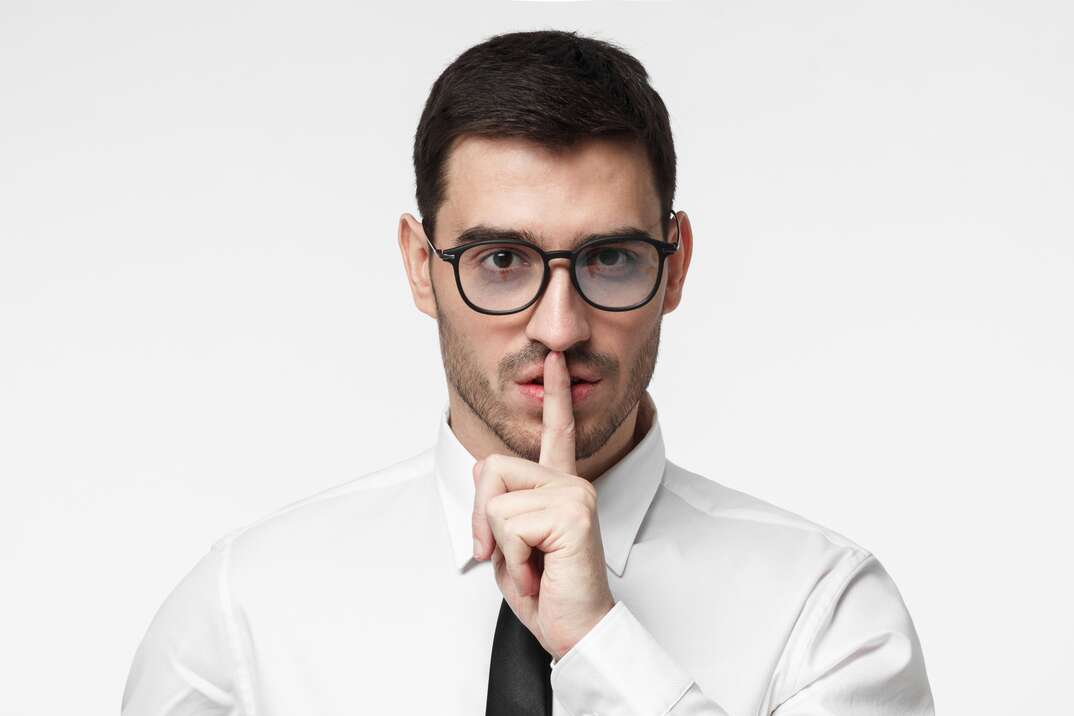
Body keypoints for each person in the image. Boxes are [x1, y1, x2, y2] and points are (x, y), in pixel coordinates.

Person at [122, 29, 935, 715]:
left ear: (676, 265)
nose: (558, 326)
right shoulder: (243, 614)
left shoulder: (826, 609)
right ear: (419, 265)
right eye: (502, 259)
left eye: (610, 258)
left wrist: (599, 643)